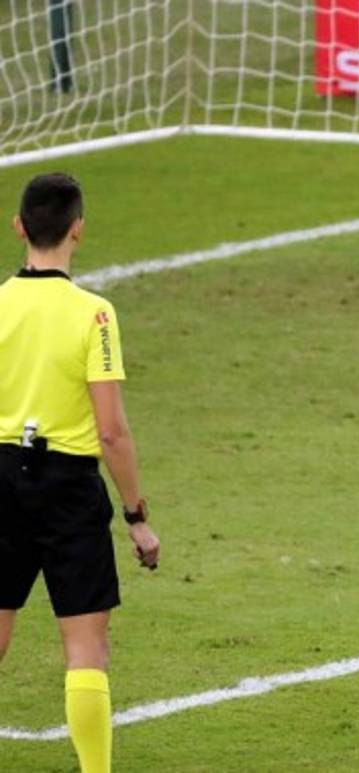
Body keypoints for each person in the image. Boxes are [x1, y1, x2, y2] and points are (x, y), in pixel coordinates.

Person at [0, 173, 160, 773]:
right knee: (86, 650)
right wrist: (137, 515)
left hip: (0, 477)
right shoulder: (94, 315)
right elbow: (112, 430)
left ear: (19, 227)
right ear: (78, 229)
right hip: (67, 486)